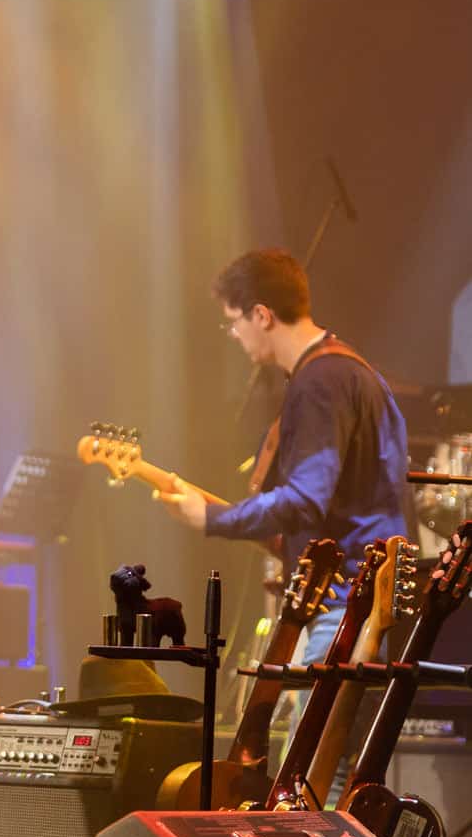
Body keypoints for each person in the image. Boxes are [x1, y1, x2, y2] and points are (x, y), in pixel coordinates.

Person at [162, 247, 409, 666]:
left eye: (233, 321)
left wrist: (211, 518)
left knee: (318, 712)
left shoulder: (320, 382)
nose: (234, 334)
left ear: (261, 315)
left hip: (344, 609)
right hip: (361, 604)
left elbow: (304, 499)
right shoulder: (351, 370)